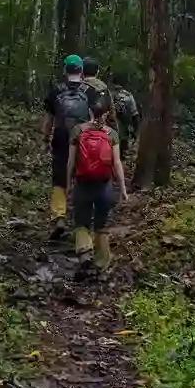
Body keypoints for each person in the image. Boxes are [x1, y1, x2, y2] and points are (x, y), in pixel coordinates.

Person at [67, 95, 129, 268]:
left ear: (89, 112)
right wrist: (123, 188)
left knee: (81, 220)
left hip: (82, 183)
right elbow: (117, 163)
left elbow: (71, 162)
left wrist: (68, 184)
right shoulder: (112, 134)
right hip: (104, 184)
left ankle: (84, 255)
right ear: (107, 113)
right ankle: (102, 263)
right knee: (102, 223)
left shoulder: (78, 130)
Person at [42, 55, 96, 218]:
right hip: (83, 137)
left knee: (59, 175)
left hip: (61, 136)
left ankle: (59, 215)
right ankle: (82, 212)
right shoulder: (90, 91)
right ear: (81, 71)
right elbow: (95, 120)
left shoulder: (56, 90)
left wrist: (45, 139)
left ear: (65, 69)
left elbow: (49, 120)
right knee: (83, 173)